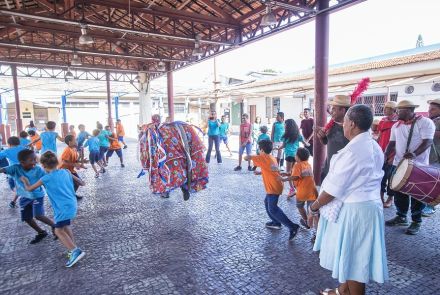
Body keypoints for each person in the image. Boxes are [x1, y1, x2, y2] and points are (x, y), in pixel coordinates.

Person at [310, 105, 388, 295]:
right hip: (366, 207)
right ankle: (342, 291)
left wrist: (314, 207)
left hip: (357, 211)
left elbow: (333, 189)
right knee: (351, 256)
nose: (342, 125)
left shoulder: (354, 151)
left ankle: (348, 291)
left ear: (352, 124)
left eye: (344, 121)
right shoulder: (373, 145)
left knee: (355, 264)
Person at [21, 151, 86, 267]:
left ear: (43, 165)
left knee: (58, 230)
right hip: (71, 204)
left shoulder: (45, 178)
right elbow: (81, 183)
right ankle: (72, 248)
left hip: (62, 208)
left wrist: (25, 182)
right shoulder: (66, 171)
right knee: (65, 226)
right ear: (57, 162)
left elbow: (30, 189)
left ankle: (75, 251)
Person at [385, 100, 435, 235]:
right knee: (398, 191)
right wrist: (384, 156)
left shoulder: (425, 123)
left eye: (399, 110)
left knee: (416, 193)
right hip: (398, 163)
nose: (396, 112)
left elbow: (428, 141)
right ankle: (401, 216)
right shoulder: (396, 126)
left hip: (418, 165)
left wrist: (414, 154)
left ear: (409, 110)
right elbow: (392, 143)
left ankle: (416, 221)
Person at [246, 140, 299, 241]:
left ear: (261, 150)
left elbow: (246, 157)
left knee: (273, 208)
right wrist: (260, 173)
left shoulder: (262, 157)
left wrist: (249, 156)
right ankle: (275, 222)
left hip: (273, 187)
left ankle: (292, 227)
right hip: (277, 185)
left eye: (259, 149)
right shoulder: (271, 158)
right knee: (267, 202)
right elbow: (271, 170)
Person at [0, 149, 56, 244]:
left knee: (38, 215)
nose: (35, 162)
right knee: (26, 218)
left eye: (35, 159)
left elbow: (46, 181)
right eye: (32, 160)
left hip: (37, 196)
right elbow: (3, 169)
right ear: (22, 162)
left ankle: (55, 225)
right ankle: (41, 232)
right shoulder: (15, 168)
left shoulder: (38, 169)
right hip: (24, 197)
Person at [280, 147, 318, 231]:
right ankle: (316, 232)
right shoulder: (308, 164)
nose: (295, 156)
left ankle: (306, 221)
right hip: (312, 191)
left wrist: (284, 179)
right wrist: (287, 174)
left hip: (302, 192)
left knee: (299, 206)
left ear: (298, 157)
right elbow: (300, 175)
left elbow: (295, 177)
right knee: (312, 212)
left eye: (296, 154)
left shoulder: (297, 165)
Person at [316, 95, 350, 182]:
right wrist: (322, 137)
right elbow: (326, 142)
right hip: (329, 169)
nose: (331, 111)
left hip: (343, 172)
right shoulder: (331, 125)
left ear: (342, 110)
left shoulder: (352, 128)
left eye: (334, 108)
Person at [277, 119, 306, 198]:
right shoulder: (297, 134)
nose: (284, 126)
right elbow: (304, 142)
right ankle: (296, 186)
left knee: (288, 172)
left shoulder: (285, 135)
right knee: (294, 171)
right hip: (296, 156)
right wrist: (308, 144)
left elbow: (283, 146)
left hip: (289, 155)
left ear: (288, 126)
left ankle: (292, 189)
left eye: (285, 125)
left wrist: (278, 148)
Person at [377, 101, 398, 208]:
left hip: (393, 154)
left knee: (391, 178)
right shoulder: (382, 121)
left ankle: (390, 198)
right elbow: (379, 136)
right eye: (384, 108)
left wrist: (394, 156)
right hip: (382, 153)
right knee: (381, 176)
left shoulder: (399, 122)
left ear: (394, 110)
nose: (384, 110)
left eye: (387, 108)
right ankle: (380, 197)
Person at [424, 99, 440, 216]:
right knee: (426, 181)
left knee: (435, 182)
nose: (430, 111)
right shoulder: (430, 121)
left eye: (433, 109)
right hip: (428, 156)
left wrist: (428, 130)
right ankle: (425, 203)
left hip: (437, 156)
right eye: (429, 109)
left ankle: (431, 206)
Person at [0, 136, 26, 208]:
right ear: (18, 142)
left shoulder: (7, 151)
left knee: (13, 187)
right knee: (20, 187)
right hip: (23, 172)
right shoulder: (24, 148)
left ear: (9, 144)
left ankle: (18, 198)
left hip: (12, 173)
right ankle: (13, 201)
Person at [59, 135, 83, 199]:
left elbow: (75, 160)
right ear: (70, 142)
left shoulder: (74, 149)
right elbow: (64, 162)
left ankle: (71, 195)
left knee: (77, 183)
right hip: (64, 171)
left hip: (70, 170)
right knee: (77, 182)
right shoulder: (67, 150)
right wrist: (74, 165)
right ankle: (69, 196)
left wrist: (81, 160)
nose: (76, 141)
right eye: (75, 140)